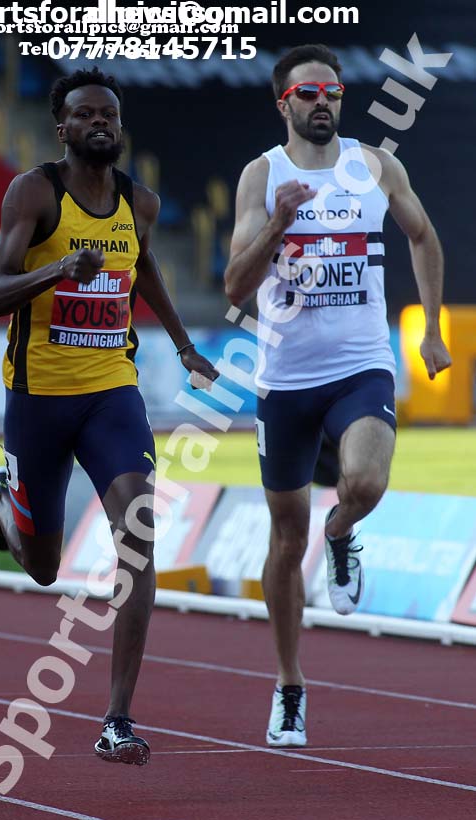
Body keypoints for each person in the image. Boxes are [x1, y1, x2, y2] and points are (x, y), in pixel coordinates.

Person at [0, 67, 218, 766]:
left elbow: (145, 267)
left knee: (137, 537)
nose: (99, 123)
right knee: (44, 568)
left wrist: (184, 345)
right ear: (62, 128)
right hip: (38, 398)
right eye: (85, 114)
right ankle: (3, 501)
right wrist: (58, 272)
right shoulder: (34, 193)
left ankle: (117, 719)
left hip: (112, 391)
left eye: (108, 114)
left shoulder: (139, 201)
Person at [224, 44, 451, 748]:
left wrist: (431, 330)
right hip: (286, 382)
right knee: (285, 537)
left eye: (332, 90)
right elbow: (235, 286)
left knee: (365, 481)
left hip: (361, 367)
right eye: (308, 92)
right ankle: (289, 686)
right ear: (283, 103)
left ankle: (342, 531)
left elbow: (423, 236)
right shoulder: (263, 175)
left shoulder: (374, 166)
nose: (322, 100)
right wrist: (277, 223)